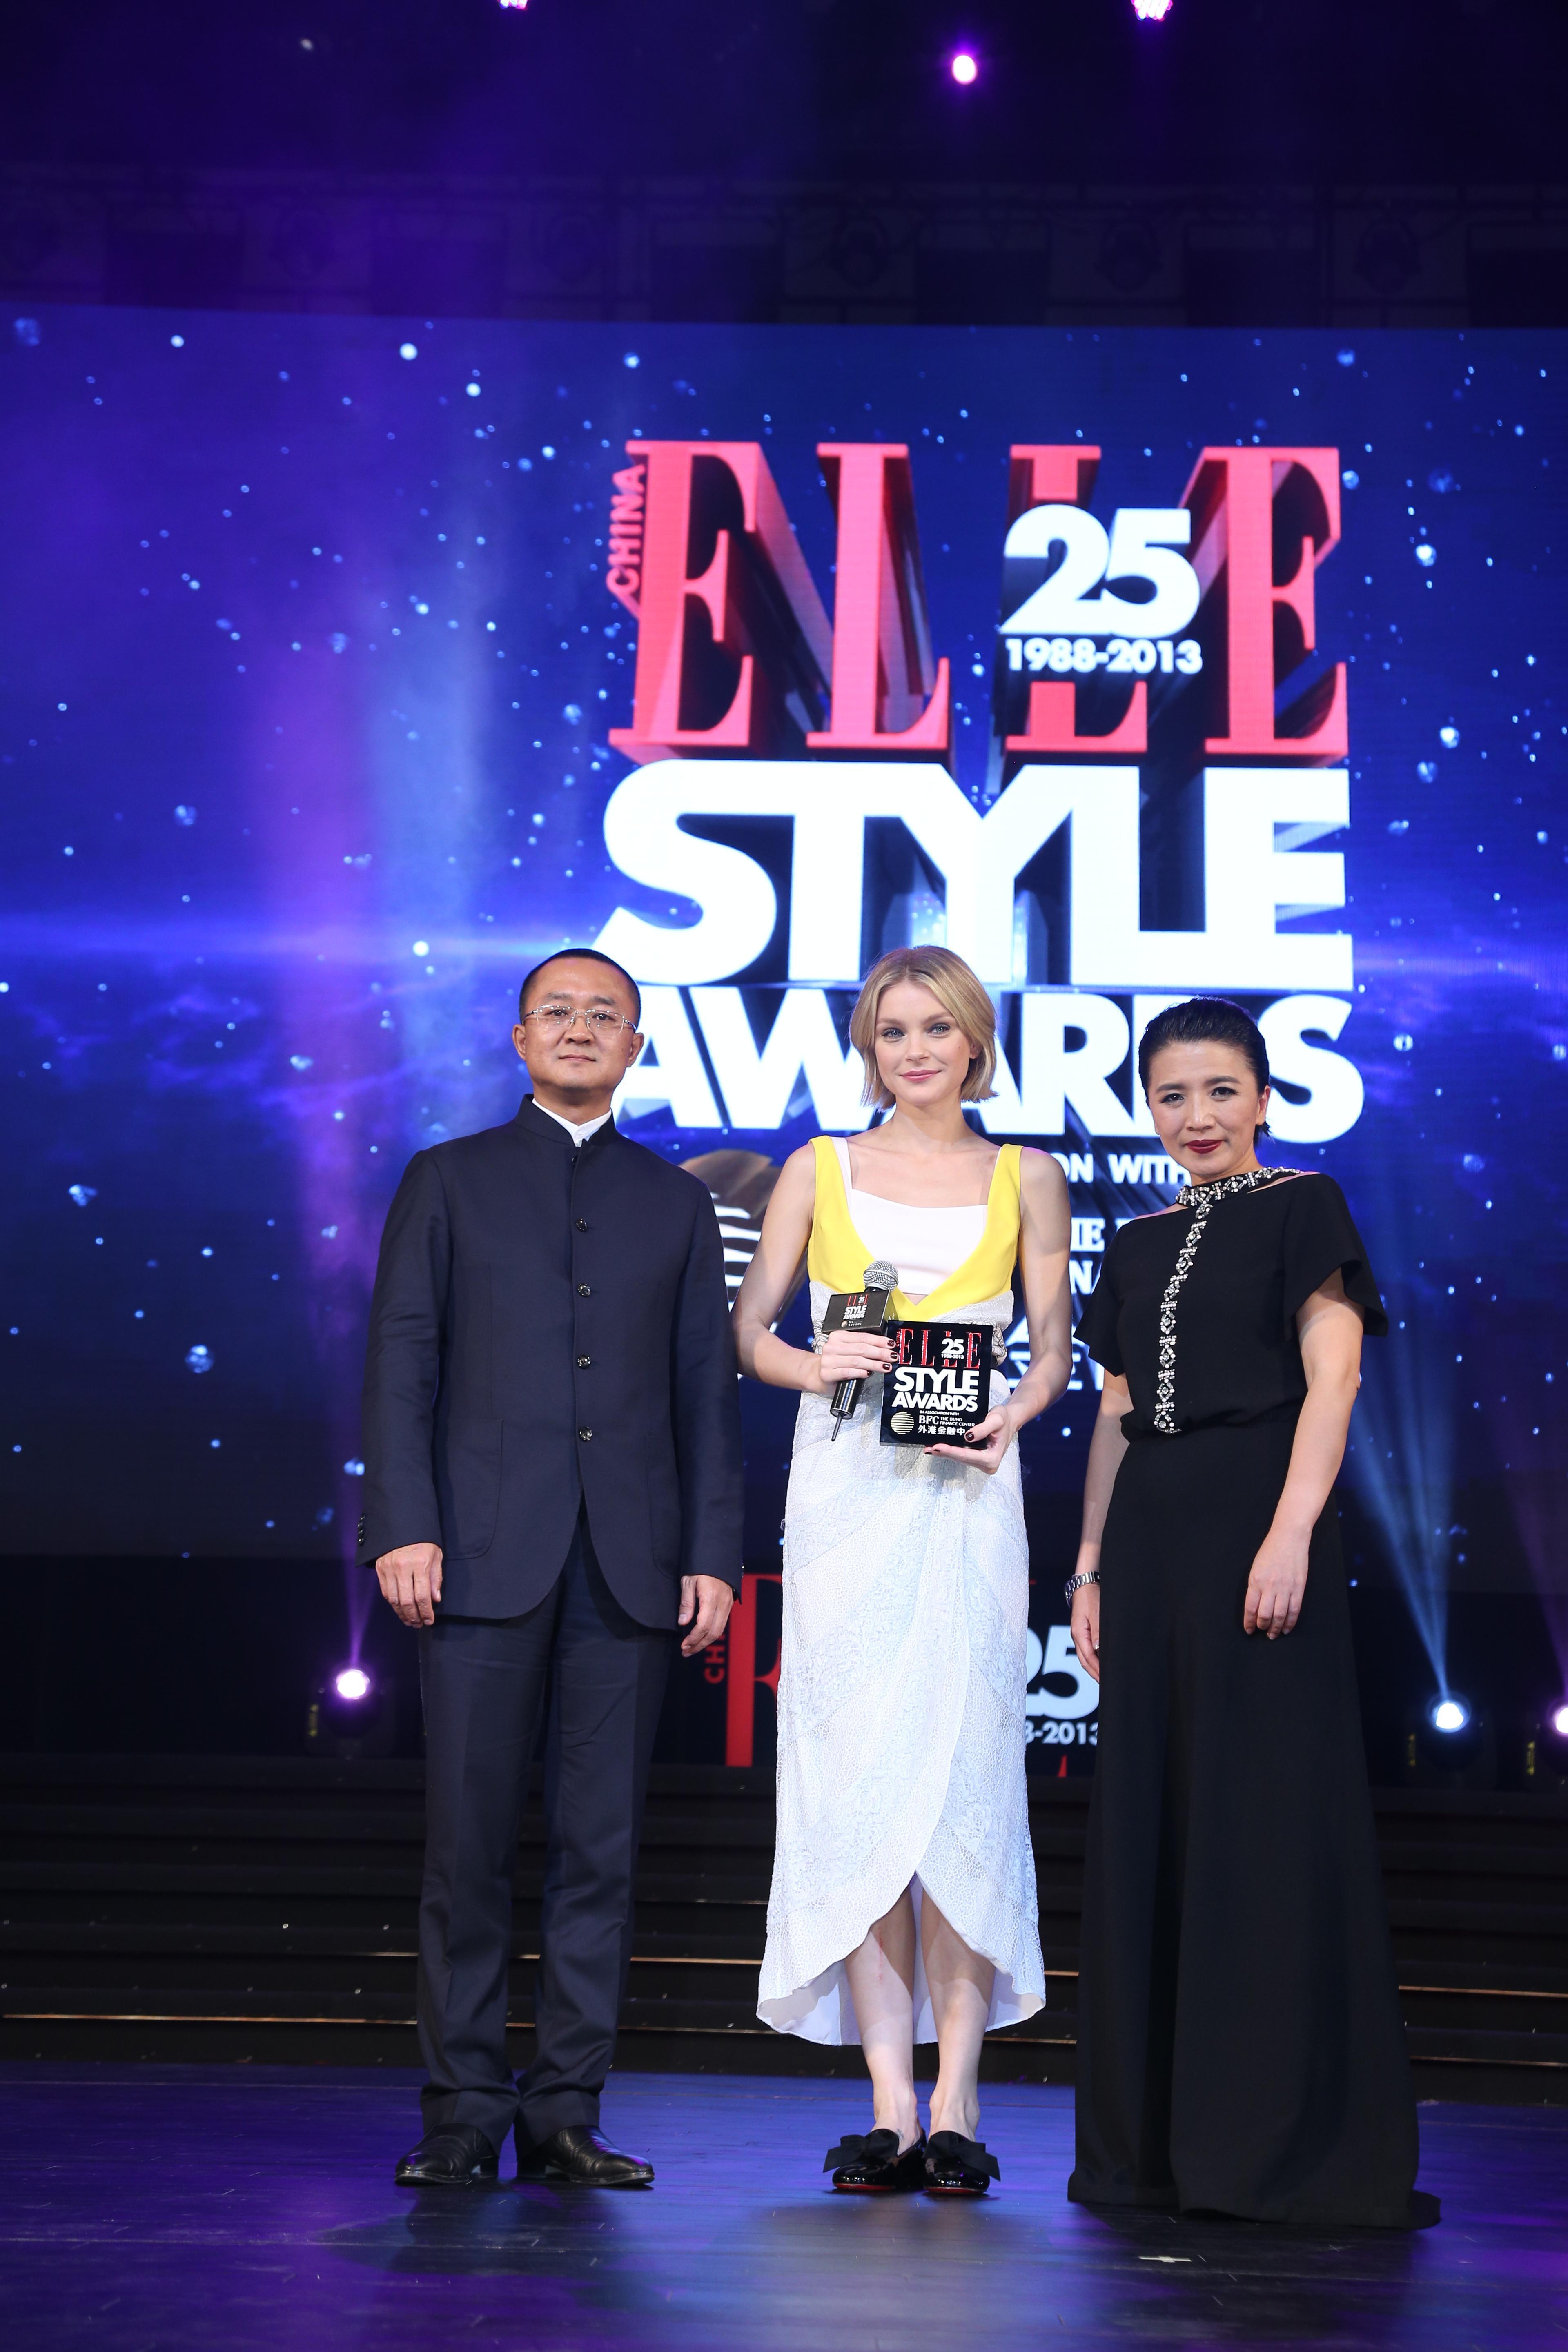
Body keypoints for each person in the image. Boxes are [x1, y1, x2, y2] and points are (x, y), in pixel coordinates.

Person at [359, 947, 743, 2190]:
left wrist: (712, 1553)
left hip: (630, 1567)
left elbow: (704, 1392)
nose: (581, 1029)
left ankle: (566, 2109)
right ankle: (464, 2109)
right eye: (557, 1012)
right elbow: (401, 1364)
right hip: (476, 1556)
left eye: (605, 1015)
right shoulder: (449, 1179)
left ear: (637, 1045)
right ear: (520, 1038)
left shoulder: (674, 1201)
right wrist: (403, 1524)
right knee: (467, 1848)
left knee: (602, 1852)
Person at [1067, 996, 1436, 2228]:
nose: (1198, 1116)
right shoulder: (1135, 1242)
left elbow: (1337, 1380)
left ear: (1265, 1098)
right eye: (1172, 1096)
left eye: (1221, 1091)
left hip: (1261, 1522)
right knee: (1156, 1818)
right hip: (1152, 1543)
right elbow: (1117, 1414)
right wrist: (1089, 1567)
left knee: (1262, 1819)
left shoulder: (1304, 1206)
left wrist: (1290, 1534)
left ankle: (1272, 2146)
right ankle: (1152, 2153)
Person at [733, 947, 1072, 2196]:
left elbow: (1053, 1349)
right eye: (893, 1031)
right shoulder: (817, 1167)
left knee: (963, 1780)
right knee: (861, 1783)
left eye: (937, 1028)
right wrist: (812, 1363)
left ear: (976, 1041)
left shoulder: (1029, 1176)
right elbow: (750, 1330)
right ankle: (889, 2102)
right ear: (868, 1048)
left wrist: (1015, 1413)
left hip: (969, 1495)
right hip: (846, 1493)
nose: (915, 1050)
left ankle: (959, 2098)